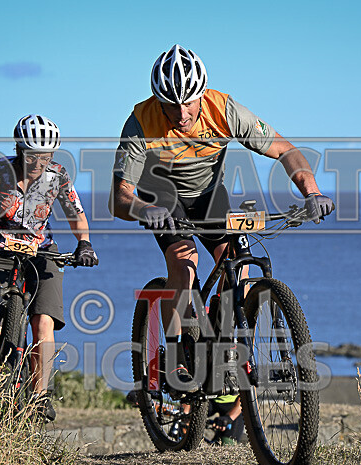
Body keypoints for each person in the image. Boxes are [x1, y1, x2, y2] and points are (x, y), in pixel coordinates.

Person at [109, 45, 334, 391]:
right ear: (158, 100)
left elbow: (285, 150)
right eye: (171, 104)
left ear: (202, 94)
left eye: (188, 102)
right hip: (162, 197)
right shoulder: (141, 122)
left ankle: (223, 350)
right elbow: (119, 197)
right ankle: (176, 354)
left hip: (208, 194)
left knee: (237, 265)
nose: (181, 113)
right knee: (185, 266)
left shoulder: (224, 110)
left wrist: (312, 192)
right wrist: (143, 209)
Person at [0, 114, 98, 422]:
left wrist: (84, 244)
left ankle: (40, 395)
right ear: (18, 149)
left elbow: (76, 215)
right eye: (32, 155)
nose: (39, 162)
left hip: (42, 250)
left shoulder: (58, 176)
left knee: (44, 320)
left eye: (46, 156)